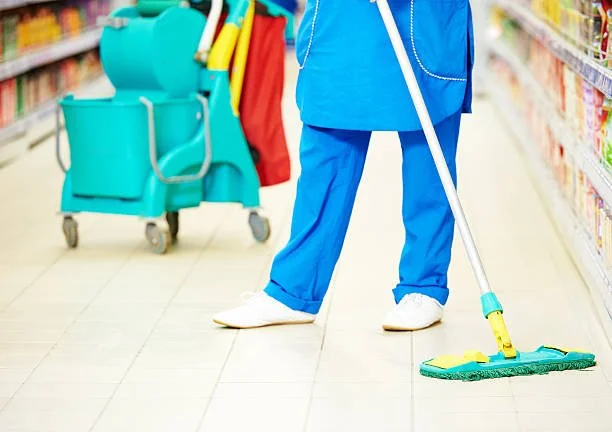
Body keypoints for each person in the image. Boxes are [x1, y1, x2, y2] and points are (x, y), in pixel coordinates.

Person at [213, 0, 474, 330]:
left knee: (428, 162)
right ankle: (294, 291)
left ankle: (423, 288)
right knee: (325, 163)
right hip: (341, 23)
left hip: (419, 23)